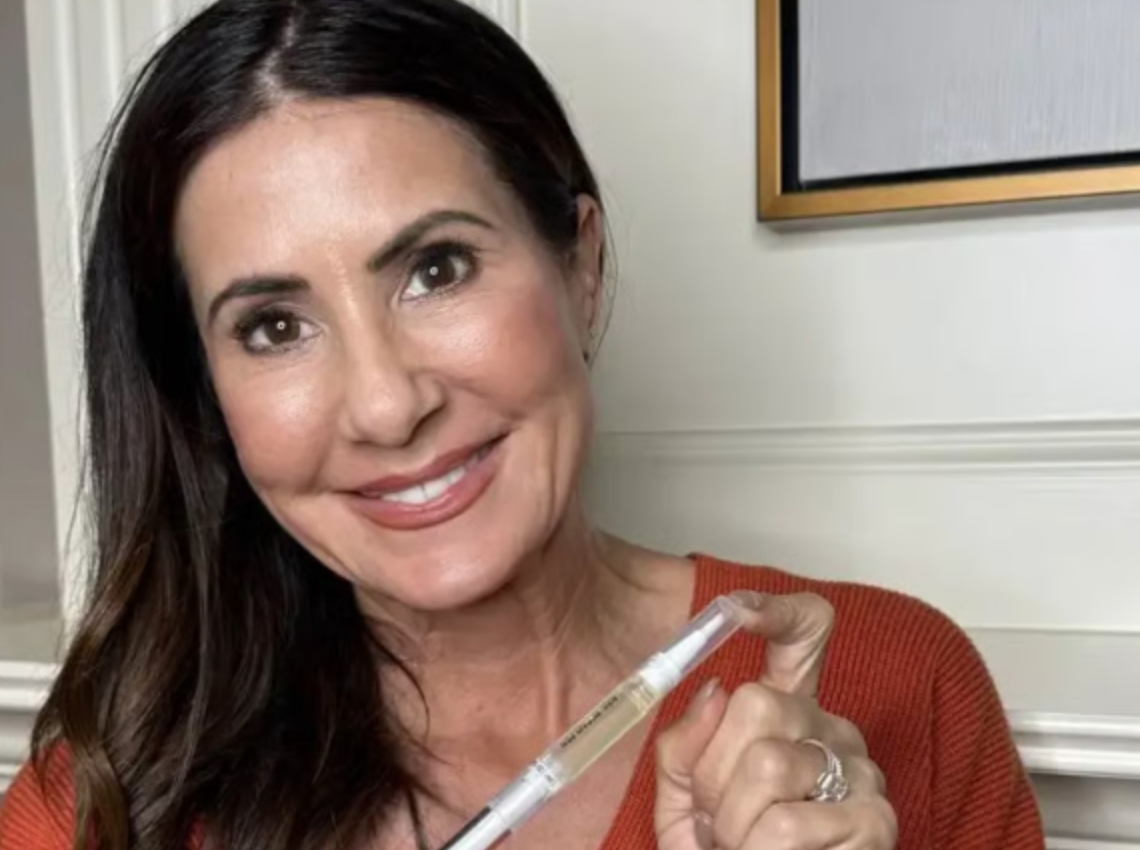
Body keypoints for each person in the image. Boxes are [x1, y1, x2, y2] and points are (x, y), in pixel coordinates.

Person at [0, 1, 1044, 849]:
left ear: (579, 265)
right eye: (274, 327)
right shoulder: (98, 805)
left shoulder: (898, 682)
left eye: (436, 269)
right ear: (205, 394)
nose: (387, 404)